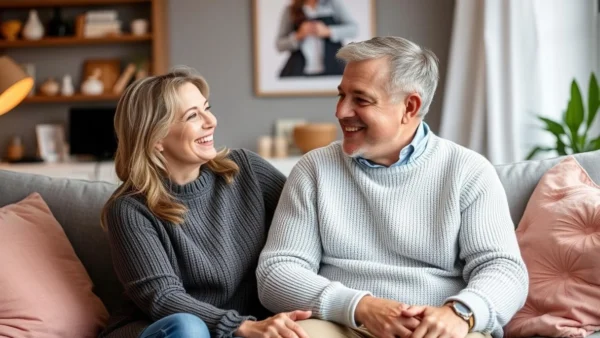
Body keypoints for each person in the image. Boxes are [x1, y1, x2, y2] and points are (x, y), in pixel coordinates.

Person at [256, 36, 529, 338]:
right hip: (342, 322)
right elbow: (276, 272)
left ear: (409, 107)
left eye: (360, 99)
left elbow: (504, 269)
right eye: (341, 95)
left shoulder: (468, 171)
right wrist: (361, 306)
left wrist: (460, 313)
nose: (341, 111)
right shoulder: (314, 169)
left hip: (439, 326)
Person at [98, 68, 311, 338]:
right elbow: (162, 298)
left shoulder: (245, 169)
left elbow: (307, 224)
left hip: (237, 328)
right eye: (192, 116)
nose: (211, 121)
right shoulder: (129, 210)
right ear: (156, 139)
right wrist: (241, 326)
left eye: (207, 108)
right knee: (190, 328)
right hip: (163, 329)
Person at [276, 0, 358, 77]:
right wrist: (298, 35)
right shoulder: (291, 9)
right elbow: (279, 44)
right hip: (298, 71)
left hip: (333, 69)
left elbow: (354, 29)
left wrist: (328, 31)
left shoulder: (333, 4)